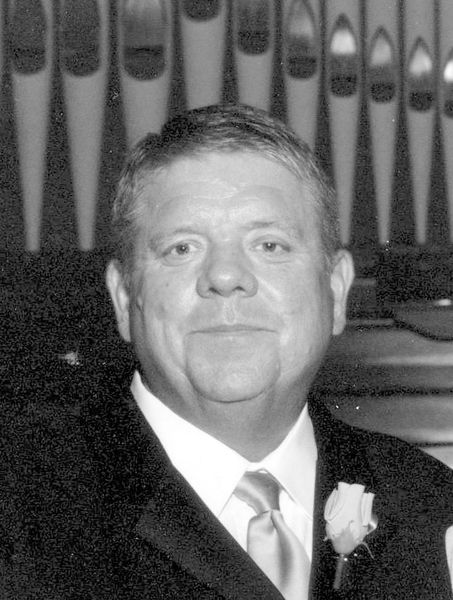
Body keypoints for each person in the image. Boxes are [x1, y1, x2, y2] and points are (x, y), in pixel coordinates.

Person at [2, 104, 453, 599]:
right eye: (182, 248)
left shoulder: (432, 507)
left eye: (269, 245)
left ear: (336, 289)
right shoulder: (20, 507)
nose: (224, 276)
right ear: (125, 298)